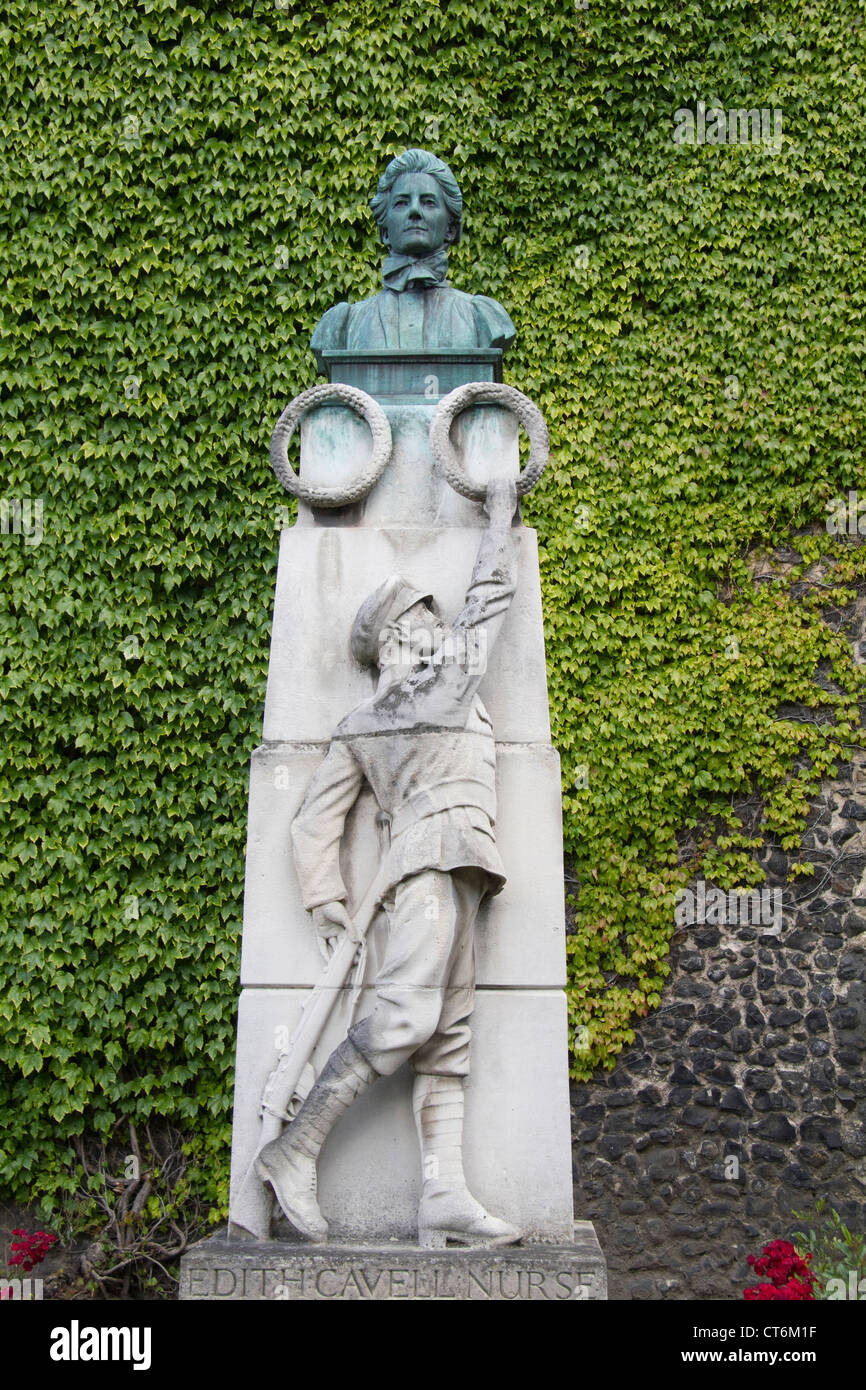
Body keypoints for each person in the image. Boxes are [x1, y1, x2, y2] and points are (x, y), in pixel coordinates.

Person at [256, 477, 522, 1249]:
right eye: (426, 620)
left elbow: (314, 820)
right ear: (401, 637)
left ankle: (443, 1193)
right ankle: (295, 1147)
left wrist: (326, 901)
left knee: (449, 1034)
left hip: (460, 865)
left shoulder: (365, 720)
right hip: (434, 862)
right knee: (408, 1015)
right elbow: (491, 593)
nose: (442, 629)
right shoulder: (437, 692)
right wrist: (500, 510)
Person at [310, 148, 516, 372]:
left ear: (451, 228)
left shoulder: (483, 319)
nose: (415, 211)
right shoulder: (343, 325)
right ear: (384, 231)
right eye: (401, 203)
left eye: (428, 202)